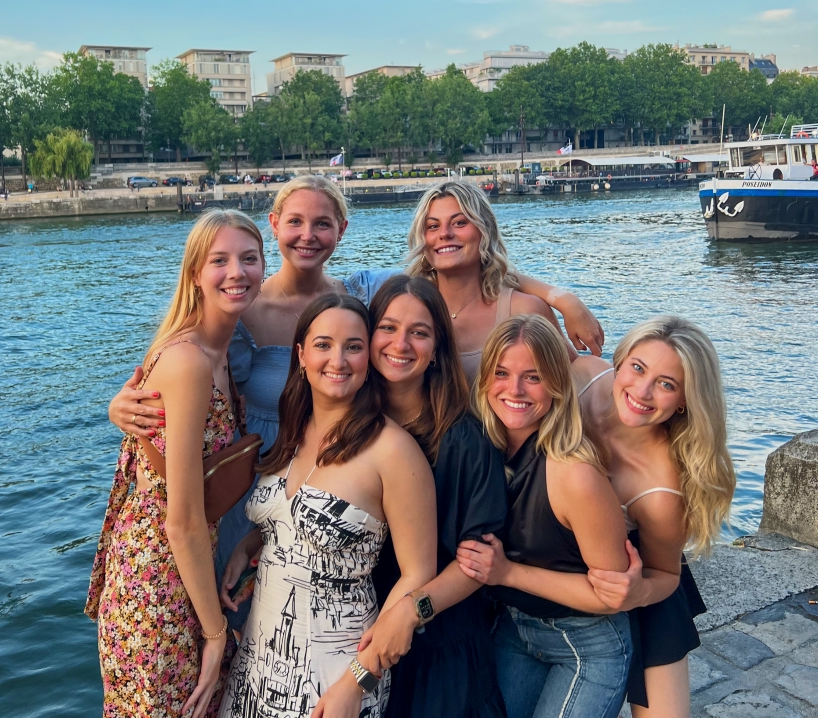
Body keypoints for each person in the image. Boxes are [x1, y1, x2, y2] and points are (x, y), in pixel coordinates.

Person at [108, 176, 591, 609]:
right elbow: (183, 358)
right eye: (295, 221)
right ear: (274, 225)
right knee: (234, 604)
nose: (307, 234)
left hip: (339, 467)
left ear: (341, 229)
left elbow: (449, 271)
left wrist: (559, 296)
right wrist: (123, 406)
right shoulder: (242, 303)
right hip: (254, 481)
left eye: (322, 223)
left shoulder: (359, 292)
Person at [217, 293, 437, 718]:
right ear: (300, 355)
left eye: (353, 346)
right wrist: (250, 543)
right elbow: (292, 518)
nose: (338, 359)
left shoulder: (392, 451)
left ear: (368, 358)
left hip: (334, 674)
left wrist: (358, 682)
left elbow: (418, 573)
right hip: (258, 657)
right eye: (323, 344)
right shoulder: (294, 429)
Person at [85, 210, 266, 718]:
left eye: (249, 259)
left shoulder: (221, 348)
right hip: (156, 583)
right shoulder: (189, 362)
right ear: (194, 274)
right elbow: (181, 519)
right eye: (220, 261)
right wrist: (214, 636)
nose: (237, 272)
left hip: (183, 573)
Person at [457, 315, 632, 718]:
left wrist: (507, 573)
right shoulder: (481, 448)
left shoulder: (575, 474)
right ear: (484, 380)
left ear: (555, 383)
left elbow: (609, 597)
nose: (514, 390)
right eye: (501, 373)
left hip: (586, 644)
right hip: (516, 630)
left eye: (533, 377)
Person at [354, 275, 508, 718]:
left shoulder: (465, 441)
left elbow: (477, 563)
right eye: (387, 327)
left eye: (419, 332)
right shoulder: (348, 423)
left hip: (438, 642)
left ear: (438, 349)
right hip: (359, 631)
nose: (400, 343)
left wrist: (411, 611)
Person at [571, 317, 735, 716]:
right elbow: (511, 298)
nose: (642, 391)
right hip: (562, 560)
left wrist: (639, 593)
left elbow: (666, 575)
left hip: (640, 579)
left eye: (666, 384)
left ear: (683, 400)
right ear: (619, 360)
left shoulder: (661, 490)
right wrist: (561, 298)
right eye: (638, 368)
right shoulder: (584, 376)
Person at [405, 180, 603, 383]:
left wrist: (566, 300)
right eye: (433, 226)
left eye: (459, 223)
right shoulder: (406, 307)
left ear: (485, 230)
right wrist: (563, 298)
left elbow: (572, 379)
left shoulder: (524, 309)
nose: (444, 233)